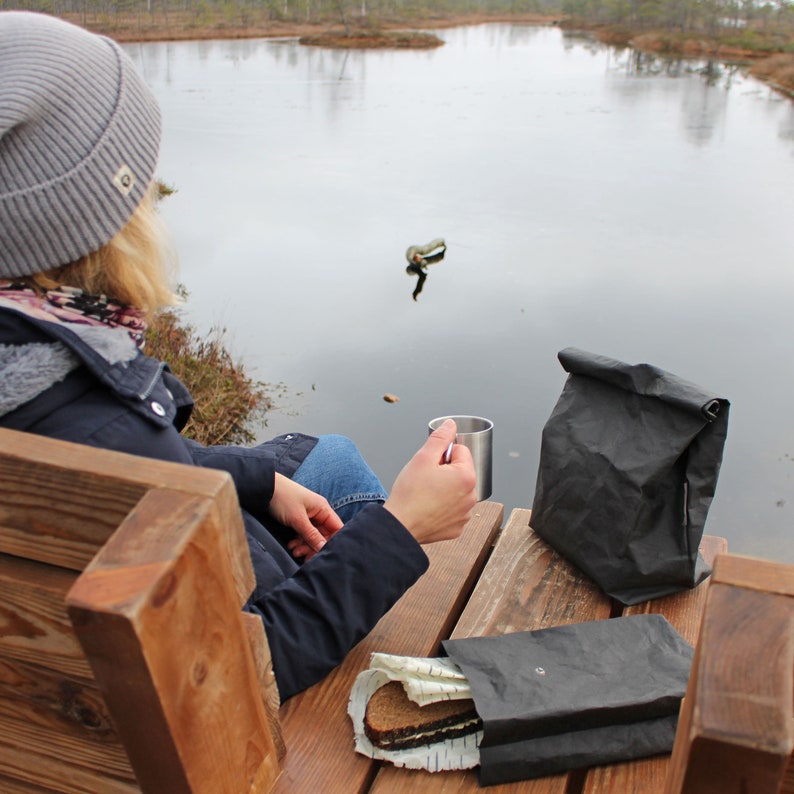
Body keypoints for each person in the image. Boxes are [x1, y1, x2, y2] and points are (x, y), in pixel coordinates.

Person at [0, 12, 477, 702]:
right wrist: (404, 529)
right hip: (207, 710)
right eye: (139, 182)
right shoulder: (104, 433)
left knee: (329, 457)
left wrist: (257, 480)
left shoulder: (37, 378)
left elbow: (117, 459)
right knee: (367, 509)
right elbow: (244, 673)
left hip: (83, 649)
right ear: (92, 215)